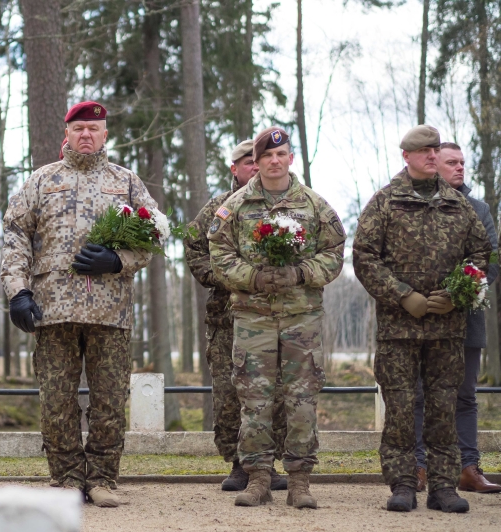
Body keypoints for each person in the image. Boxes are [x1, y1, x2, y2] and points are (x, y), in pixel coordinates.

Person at [1, 101, 157, 508]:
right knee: (56, 402)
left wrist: (119, 260)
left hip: (110, 311)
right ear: (66, 134)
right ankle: (68, 478)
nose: (86, 134)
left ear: (105, 135)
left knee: (108, 401)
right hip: (52, 311)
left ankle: (102, 478)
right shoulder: (41, 180)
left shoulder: (126, 182)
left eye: (94, 128)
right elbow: (16, 236)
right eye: (79, 128)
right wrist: (18, 292)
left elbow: (154, 235)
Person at [353, 125, 491, 513]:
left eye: (435, 150)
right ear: (407, 157)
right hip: (400, 328)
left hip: (447, 329)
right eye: (424, 151)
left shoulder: (458, 204)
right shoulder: (384, 202)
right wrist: (402, 295)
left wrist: (457, 294)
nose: (432, 156)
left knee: (444, 407)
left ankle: (444, 487)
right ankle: (402, 483)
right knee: (399, 407)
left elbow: (480, 255)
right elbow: (364, 256)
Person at [208, 126, 345, 509]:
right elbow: (218, 253)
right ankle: (258, 479)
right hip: (253, 317)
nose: (273, 161)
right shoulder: (235, 207)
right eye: (265, 156)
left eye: (280, 154)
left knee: (302, 399)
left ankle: (300, 480)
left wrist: (300, 273)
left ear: (290, 158)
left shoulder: (315, 206)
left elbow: (334, 253)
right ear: (255, 162)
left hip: (301, 317)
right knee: (254, 400)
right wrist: (252, 277)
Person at [183, 139, 288, 492]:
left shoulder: (286, 203)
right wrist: (221, 277)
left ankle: (266, 464)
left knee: (274, 393)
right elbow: (194, 247)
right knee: (231, 394)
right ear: (235, 169)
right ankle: (238, 463)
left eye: (259, 161)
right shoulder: (219, 207)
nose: (256, 168)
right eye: (248, 163)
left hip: (276, 314)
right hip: (228, 317)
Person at [412, 142, 501, 494]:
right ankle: (418, 468)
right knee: (418, 395)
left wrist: (457, 294)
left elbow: (490, 261)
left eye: (463, 162)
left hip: (465, 319)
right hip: (420, 319)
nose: (460, 168)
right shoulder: (414, 205)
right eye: (452, 162)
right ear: (434, 165)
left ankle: (468, 468)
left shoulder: (479, 209)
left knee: (465, 397)